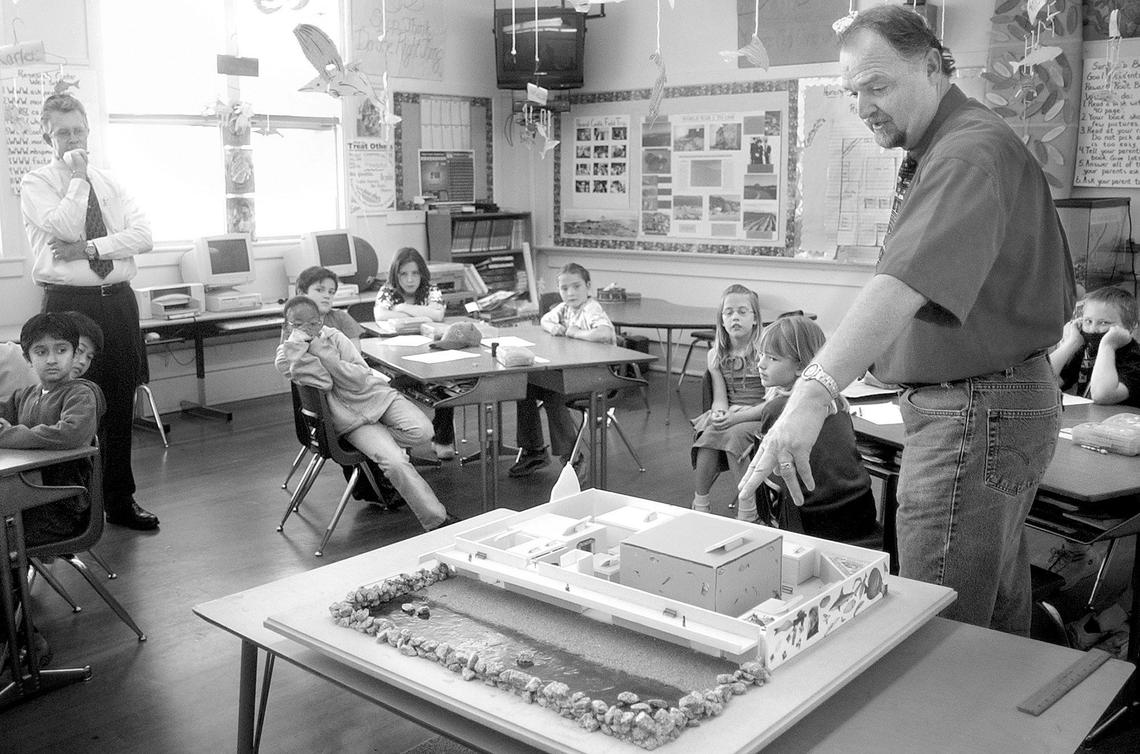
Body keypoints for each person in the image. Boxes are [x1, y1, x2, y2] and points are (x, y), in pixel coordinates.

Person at [739, 6, 1075, 636]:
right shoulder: (951, 144)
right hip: (989, 404)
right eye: (852, 93)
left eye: (878, 86)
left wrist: (811, 396)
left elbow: (901, 284)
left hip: (976, 411)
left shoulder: (967, 153)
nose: (864, 105)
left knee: (934, 626)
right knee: (990, 621)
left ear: (930, 66)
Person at [20, 93, 158, 530]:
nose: (73, 138)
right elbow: (60, 226)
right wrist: (78, 180)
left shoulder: (111, 181)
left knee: (118, 403)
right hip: (68, 306)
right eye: (63, 132)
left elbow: (144, 235)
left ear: (88, 130)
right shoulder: (36, 183)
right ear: (48, 135)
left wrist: (91, 247)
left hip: (118, 301)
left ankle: (120, 500)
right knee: (67, 408)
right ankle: (71, 508)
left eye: (79, 130)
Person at [275, 296, 455, 532]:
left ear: (320, 321)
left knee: (423, 431)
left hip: (376, 397)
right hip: (353, 422)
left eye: (313, 323)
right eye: (298, 325)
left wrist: (327, 357)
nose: (308, 330)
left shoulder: (335, 337)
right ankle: (438, 521)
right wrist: (301, 350)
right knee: (395, 461)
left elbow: (360, 376)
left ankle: (379, 444)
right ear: (288, 327)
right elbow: (323, 383)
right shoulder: (286, 355)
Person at [746, 316, 876, 538]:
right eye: (760, 355)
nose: (760, 364)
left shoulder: (779, 410)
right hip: (861, 512)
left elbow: (774, 476)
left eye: (772, 358)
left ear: (800, 366)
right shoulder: (839, 404)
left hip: (812, 523)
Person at [296, 266, 402, 509]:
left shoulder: (341, 319)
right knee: (382, 407)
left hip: (350, 393)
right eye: (319, 290)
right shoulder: (295, 328)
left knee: (388, 399)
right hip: (333, 411)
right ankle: (384, 479)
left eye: (331, 292)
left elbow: (356, 364)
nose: (326, 296)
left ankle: (392, 470)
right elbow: (310, 372)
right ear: (302, 292)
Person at [0, 312, 105, 547]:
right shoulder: (26, 395)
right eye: (41, 352)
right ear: (27, 358)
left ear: (74, 351)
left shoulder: (80, 393)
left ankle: (13, 582)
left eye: (61, 350)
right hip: (26, 498)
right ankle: (14, 582)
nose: (51, 360)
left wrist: (7, 435)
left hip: (61, 507)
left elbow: (70, 433)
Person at [509, 263, 615, 477]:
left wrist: (574, 333)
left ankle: (572, 458)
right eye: (564, 288)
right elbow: (546, 320)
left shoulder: (591, 308)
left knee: (553, 394)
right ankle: (534, 450)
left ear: (588, 286)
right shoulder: (565, 308)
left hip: (598, 377)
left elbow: (603, 333)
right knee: (526, 387)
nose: (570, 293)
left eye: (576, 286)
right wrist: (555, 327)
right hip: (572, 372)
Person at [690, 285, 767, 516]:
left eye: (743, 312)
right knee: (709, 434)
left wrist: (738, 416)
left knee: (735, 437)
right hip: (733, 411)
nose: (735, 317)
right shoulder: (717, 354)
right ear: (721, 320)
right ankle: (700, 503)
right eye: (729, 312)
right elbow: (720, 398)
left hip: (759, 413)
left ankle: (749, 508)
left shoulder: (765, 352)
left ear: (755, 319)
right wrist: (720, 412)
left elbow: (774, 402)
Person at [372, 247, 456, 461]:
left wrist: (402, 308)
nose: (410, 280)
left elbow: (438, 315)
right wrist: (422, 313)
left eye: (415, 273)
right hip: (396, 355)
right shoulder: (387, 290)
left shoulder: (431, 289)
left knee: (448, 383)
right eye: (404, 274)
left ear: (422, 274)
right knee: (393, 387)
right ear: (395, 275)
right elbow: (381, 315)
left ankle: (443, 438)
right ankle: (400, 441)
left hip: (430, 354)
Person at [1048, 286, 1140, 407]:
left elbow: (1102, 395)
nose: (1093, 330)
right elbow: (1043, 380)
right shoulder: (1086, 349)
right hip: (1090, 421)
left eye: (1104, 323)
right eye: (1088, 321)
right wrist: (1072, 343)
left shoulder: (1134, 357)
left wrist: (1107, 346)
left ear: (1131, 326)